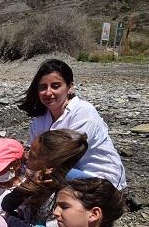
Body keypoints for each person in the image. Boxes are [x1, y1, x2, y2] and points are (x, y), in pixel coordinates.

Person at [19, 58, 126, 189]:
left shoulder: (83, 112)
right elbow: (32, 154)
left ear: (70, 87)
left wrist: (33, 168)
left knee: (47, 175)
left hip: (98, 178)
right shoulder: (40, 119)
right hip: (62, 172)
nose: (48, 93)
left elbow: (65, 158)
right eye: (43, 87)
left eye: (55, 86)